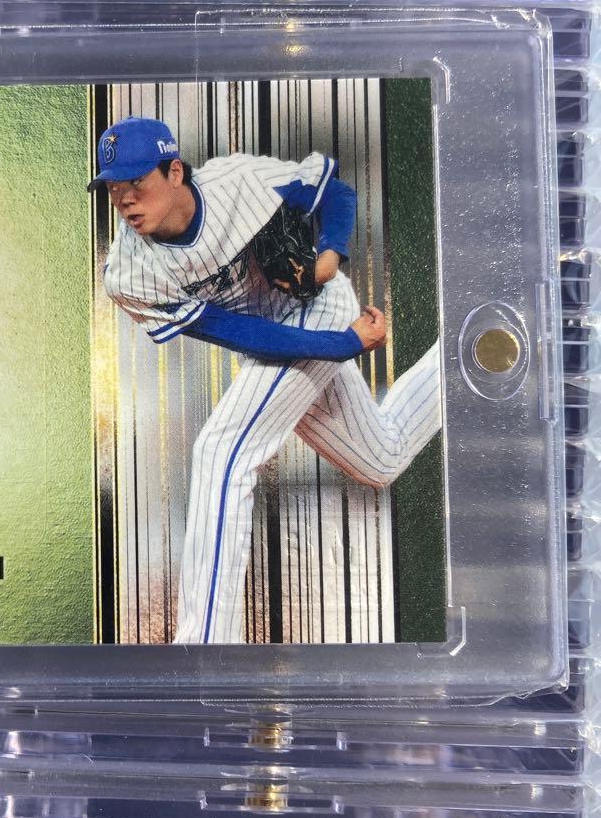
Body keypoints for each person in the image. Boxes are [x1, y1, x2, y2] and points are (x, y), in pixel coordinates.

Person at [90, 116, 442, 644]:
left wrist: (328, 256)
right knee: (382, 458)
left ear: (175, 171)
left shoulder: (239, 181)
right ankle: (462, 353)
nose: (125, 199)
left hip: (318, 308)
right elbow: (244, 334)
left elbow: (336, 191)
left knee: (221, 452)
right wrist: (345, 344)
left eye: (137, 182)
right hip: (283, 340)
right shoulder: (129, 273)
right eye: (113, 188)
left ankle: (205, 652)